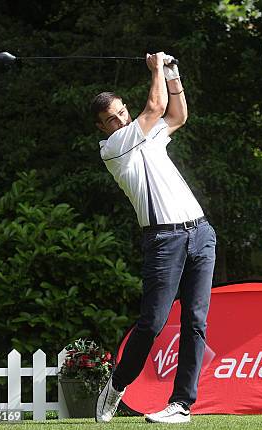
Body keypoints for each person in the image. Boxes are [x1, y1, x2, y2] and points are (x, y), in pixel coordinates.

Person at [91, 52, 216, 424]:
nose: (119, 118)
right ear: (103, 128)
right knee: (153, 322)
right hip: (164, 241)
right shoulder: (114, 148)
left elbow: (176, 115)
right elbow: (157, 105)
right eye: (110, 118)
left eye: (120, 111)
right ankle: (118, 384)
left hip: (201, 233)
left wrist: (174, 74)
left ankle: (181, 404)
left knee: (196, 322)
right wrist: (157, 68)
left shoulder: (148, 133)